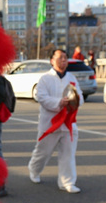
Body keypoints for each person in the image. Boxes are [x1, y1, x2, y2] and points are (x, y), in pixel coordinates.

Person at [28, 48, 83, 193]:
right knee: (43, 152)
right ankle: (34, 170)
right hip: (50, 123)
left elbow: (80, 97)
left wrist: (74, 100)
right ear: (52, 61)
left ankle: (67, 182)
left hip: (68, 123)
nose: (63, 60)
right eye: (60, 58)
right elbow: (42, 98)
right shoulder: (45, 79)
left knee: (68, 154)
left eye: (65, 58)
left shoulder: (71, 78)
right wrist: (59, 102)